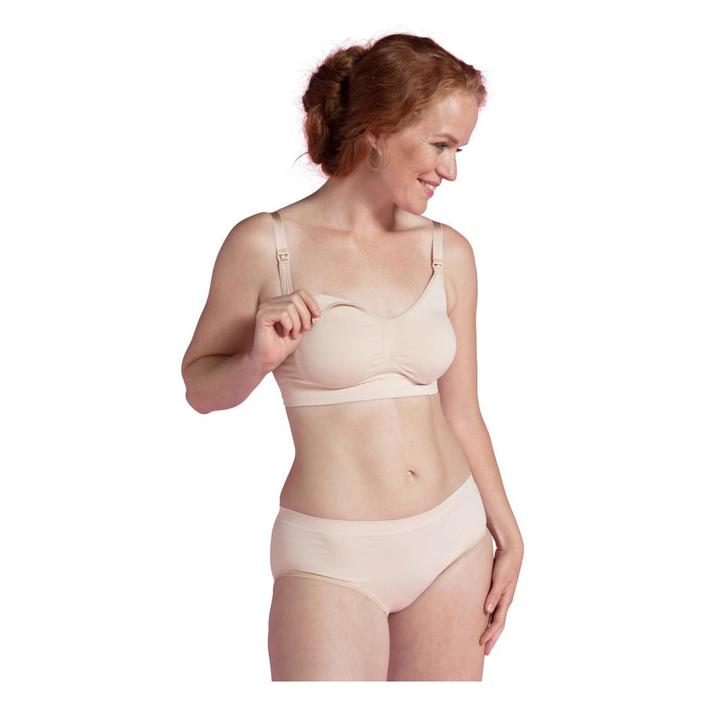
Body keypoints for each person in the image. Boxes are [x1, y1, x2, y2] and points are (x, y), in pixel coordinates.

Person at [181, 32, 524, 681]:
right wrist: (257, 359)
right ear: (378, 130)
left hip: (453, 540)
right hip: (332, 556)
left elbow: (462, 411)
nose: (450, 170)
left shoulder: (448, 252)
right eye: (440, 145)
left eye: (458, 150)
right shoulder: (266, 245)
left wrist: (508, 532)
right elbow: (199, 388)